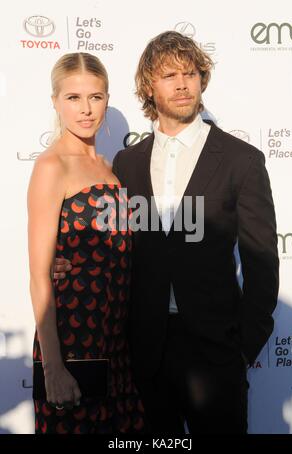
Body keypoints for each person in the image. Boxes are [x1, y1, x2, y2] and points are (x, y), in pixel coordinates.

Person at [54, 32, 279, 434]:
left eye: (190, 73)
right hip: (144, 354)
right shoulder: (127, 163)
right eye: (169, 75)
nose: (181, 84)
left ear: (201, 80)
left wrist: (242, 347)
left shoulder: (241, 160)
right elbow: (115, 244)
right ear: (148, 87)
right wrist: (69, 263)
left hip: (216, 353)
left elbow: (262, 260)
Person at [28, 52, 144, 434]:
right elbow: (40, 276)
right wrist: (54, 367)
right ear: (55, 102)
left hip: (116, 342)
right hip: (73, 340)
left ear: (107, 99)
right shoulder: (52, 166)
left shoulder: (110, 167)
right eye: (73, 98)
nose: (86, 109)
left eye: (95, 97)